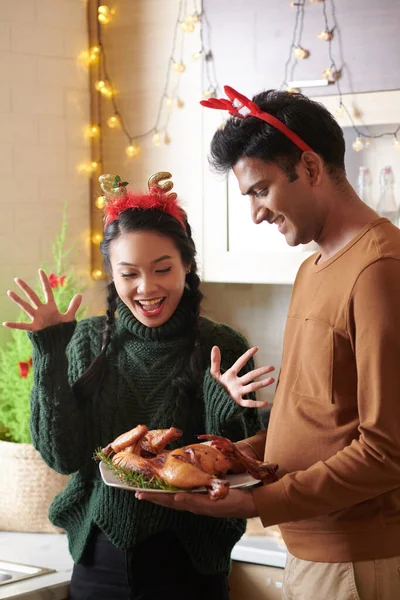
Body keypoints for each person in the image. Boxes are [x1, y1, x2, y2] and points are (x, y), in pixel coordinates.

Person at [137, 89, 400, 600]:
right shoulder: (312, 268)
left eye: (261, 190)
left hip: (355, 557)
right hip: (309, 549)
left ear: (309, 165)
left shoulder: (379, 271)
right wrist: (228, 455)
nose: (256, 213)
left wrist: (257, 502)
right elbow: (316, 421)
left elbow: (387, 449)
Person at [2, 171, 276, 600]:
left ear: (187, 264)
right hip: (99, 556)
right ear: (112, 274)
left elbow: (239, 471)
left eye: (163, 269)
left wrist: (223, 405)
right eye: (129, 274)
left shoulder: (221, 345)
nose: (147, 288)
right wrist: (50, 350)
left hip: (192, 559)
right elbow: (62, 456)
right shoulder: (87, 341)